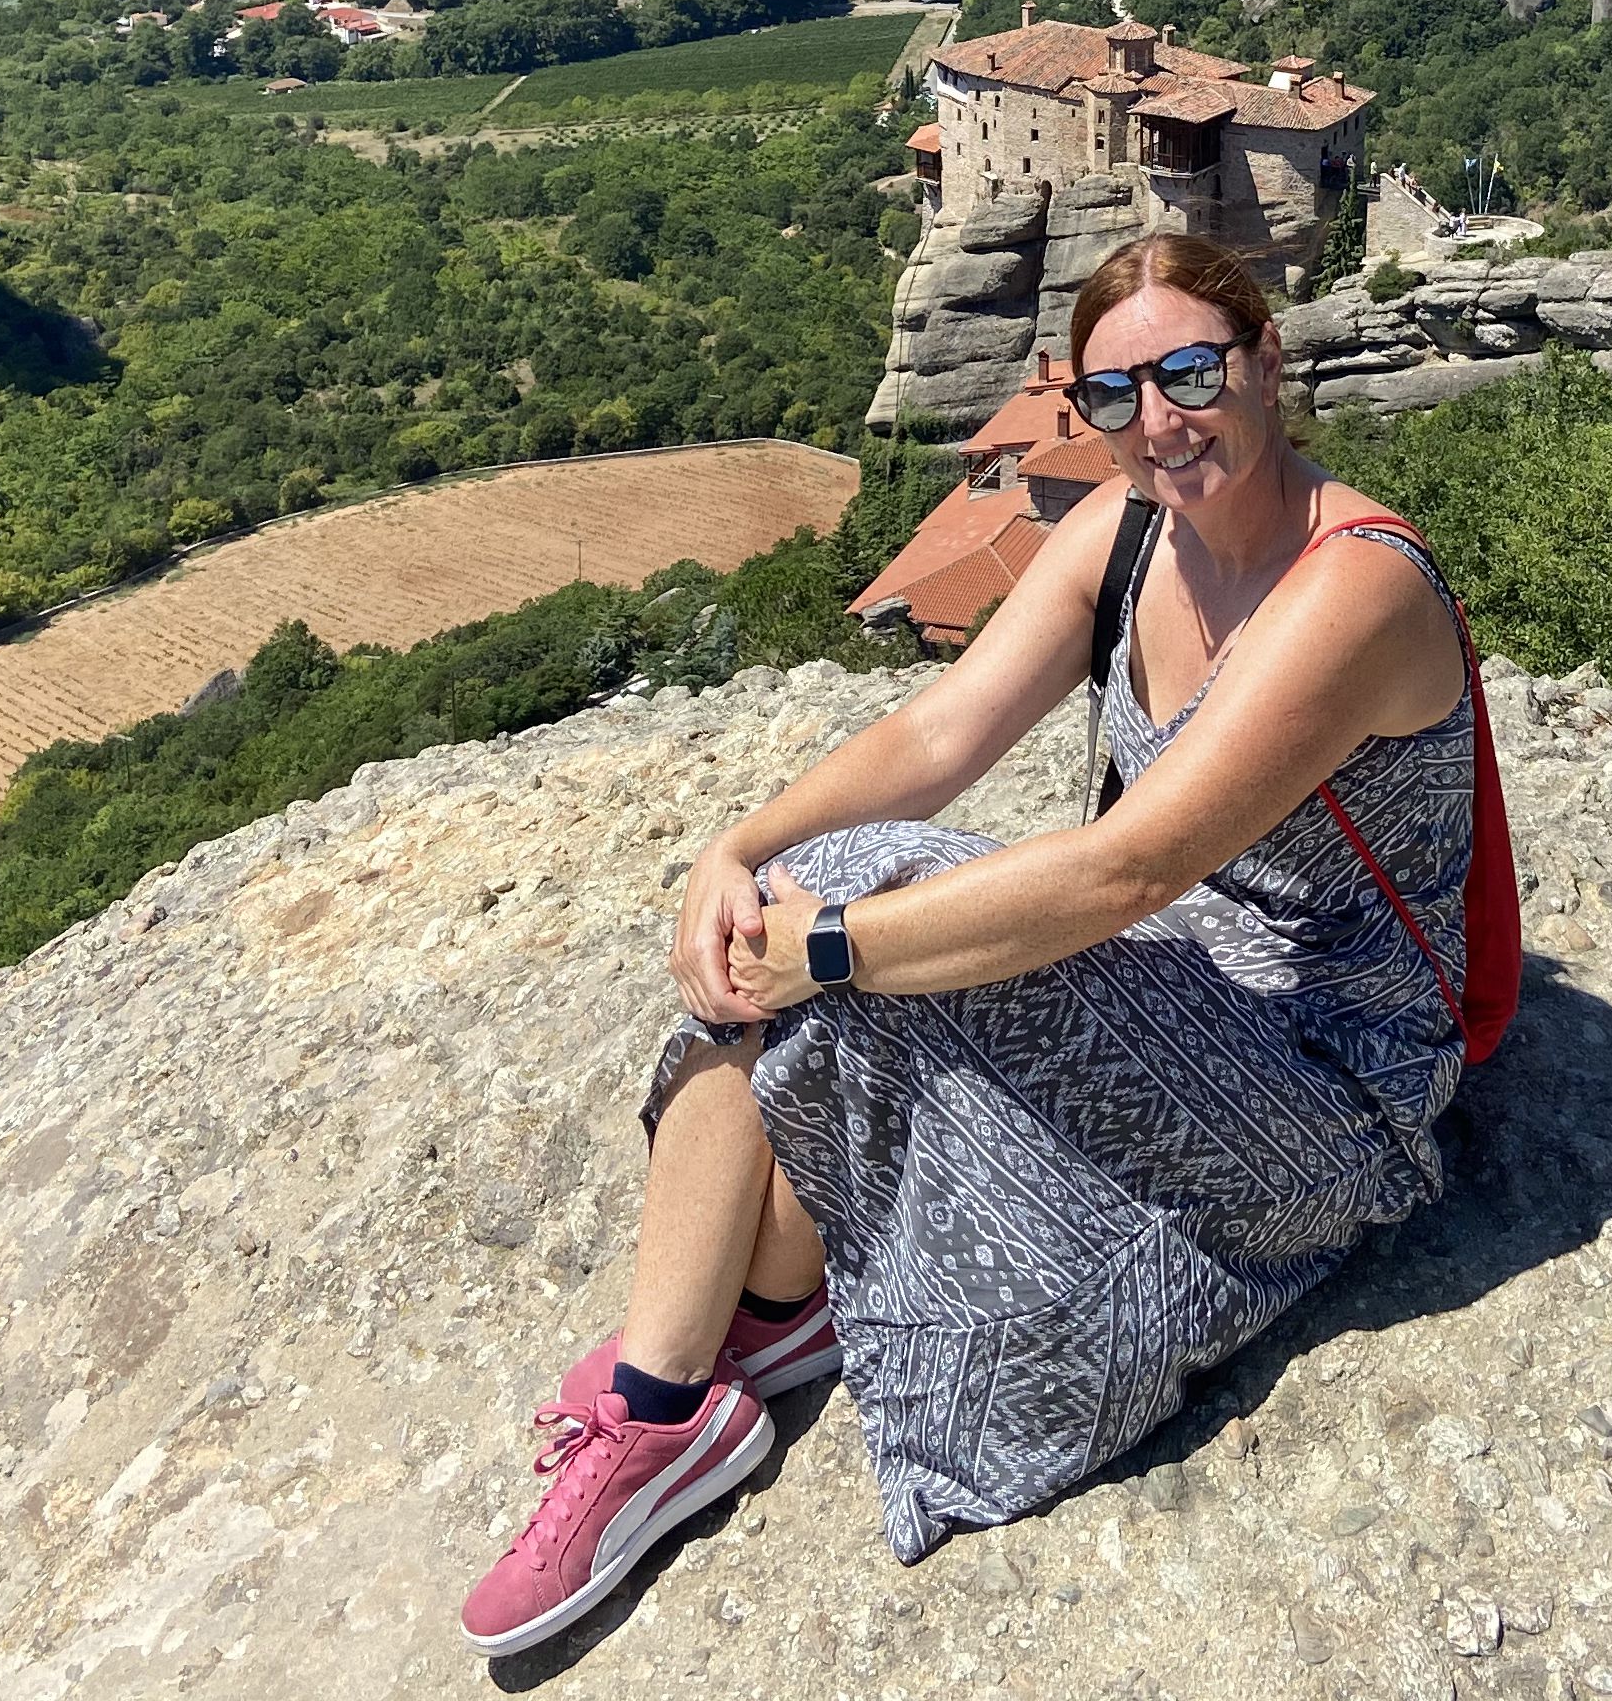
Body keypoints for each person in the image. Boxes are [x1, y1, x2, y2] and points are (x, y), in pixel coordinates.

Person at [460, 231, 1485, 1653]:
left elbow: (1128, 867)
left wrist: (834, 944)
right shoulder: (1126, 537)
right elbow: (937, 733)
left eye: (1192, 373)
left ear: (1265, 363)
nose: (1161, 424)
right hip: (1181, 987)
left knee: (855, 914)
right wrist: (738, 851)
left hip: (1330, 1084)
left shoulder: (1351, 586)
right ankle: (679, 1385)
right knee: (811, 892)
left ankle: (689, 1381)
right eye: (1117, 397)